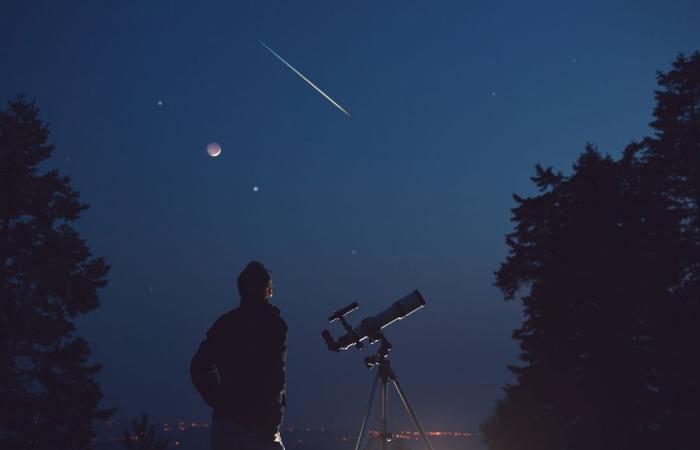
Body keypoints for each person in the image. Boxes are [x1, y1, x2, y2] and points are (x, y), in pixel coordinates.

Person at [191, 261, 287, 450]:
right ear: (267, 289)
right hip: (261, 426)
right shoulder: (274, 326)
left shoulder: (225, 325)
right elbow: (276, 378)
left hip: (228, 427)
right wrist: (273, 419)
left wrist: (221, 401)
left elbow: (199, 367)